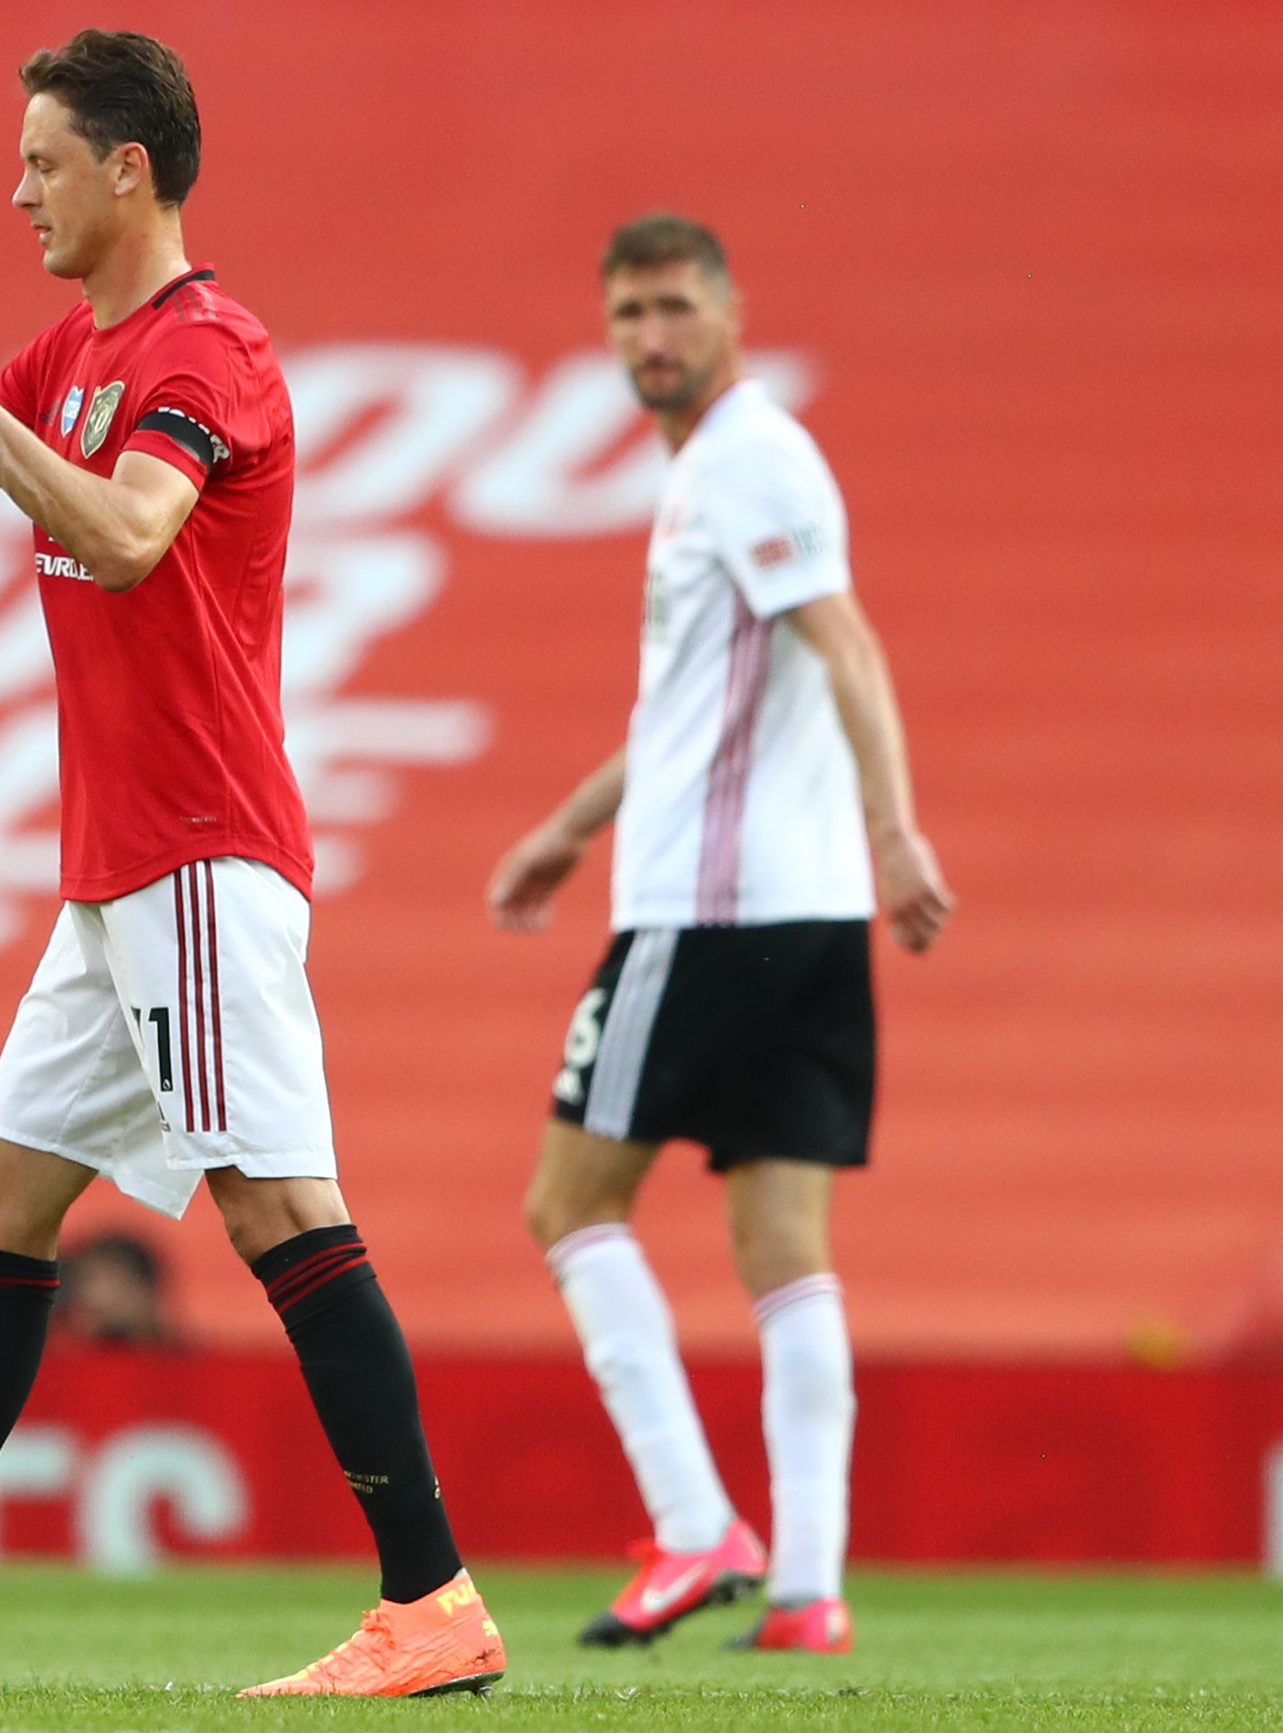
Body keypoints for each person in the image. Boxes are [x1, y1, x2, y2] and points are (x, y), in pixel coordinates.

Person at [0, 31, 504, 1699]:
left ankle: (430, 1602)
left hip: (198, 853)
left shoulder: (211, 347)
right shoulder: (76, 347)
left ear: (129, 169)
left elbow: (130, 536)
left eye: (43, 162)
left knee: (280, 1206)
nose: (17, 194)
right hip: (117, 875)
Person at [486, 213, 953, 1655]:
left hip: (706, 911)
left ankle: (697, 1528)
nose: (651, 337)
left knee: (568, 1206)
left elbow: (847, 642)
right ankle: (810, 1586)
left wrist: (898, 829)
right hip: (803, 918)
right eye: (628, 313)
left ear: (734, 313)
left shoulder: (746, 459)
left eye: (675, 307)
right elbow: (692, 714)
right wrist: (570, 826)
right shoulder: (732, 464)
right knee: (783, 1244)